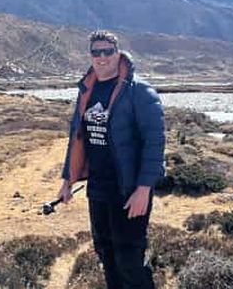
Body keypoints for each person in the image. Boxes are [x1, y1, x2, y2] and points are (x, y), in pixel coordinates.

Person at [57, 30, 165, 289]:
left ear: (118, 53)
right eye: (96, 52)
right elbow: (77, 137)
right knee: (106, 254)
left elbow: (155, 143)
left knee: (130, 259)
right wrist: (67, 180)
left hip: (128, 189)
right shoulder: (87, 89)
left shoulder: (139, 91)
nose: (102, 57)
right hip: (98, 188)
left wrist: (144, 189)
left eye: (108, 51)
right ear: (91, 55)